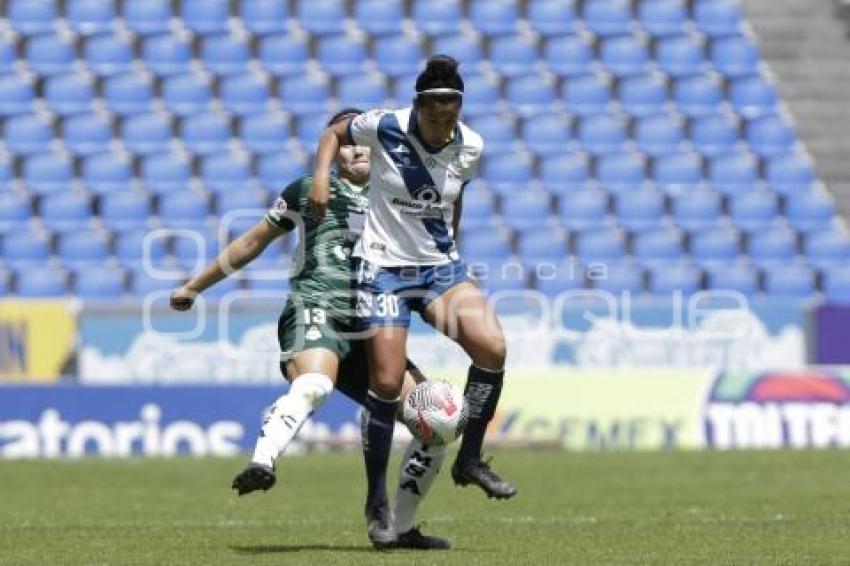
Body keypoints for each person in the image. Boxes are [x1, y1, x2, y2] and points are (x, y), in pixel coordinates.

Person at [170, 109, 450, 550]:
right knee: (316, 384)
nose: (359, 149)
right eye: (348, 142)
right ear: (335, 153)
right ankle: (263, 461)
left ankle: (399, 527)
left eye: (367, 143)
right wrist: (193, 287)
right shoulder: (309, 190)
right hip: (316, 307)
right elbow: (252, 242)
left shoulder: (396, 200)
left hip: (374, 322)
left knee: (439, 420)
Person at [308, 55, 517, 538]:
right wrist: (321, 176)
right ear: (418, 106)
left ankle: (468, 461)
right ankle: (376, 503)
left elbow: (454, 192)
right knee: (385, 384)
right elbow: (335, 132)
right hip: (383, 269)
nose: (444, 128)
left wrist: (454, 245)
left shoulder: (471, 144)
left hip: (439, 268)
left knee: (493, 347)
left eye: (452, 118)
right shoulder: (384, 125)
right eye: (435, 118)